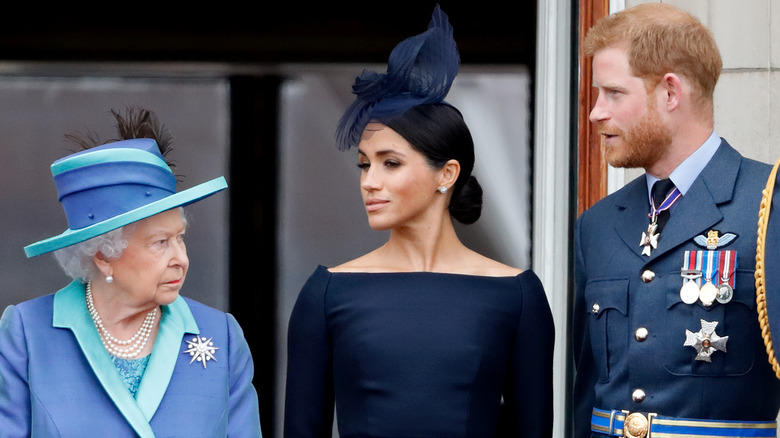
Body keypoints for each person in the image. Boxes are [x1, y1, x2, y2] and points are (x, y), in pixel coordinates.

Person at [284, 5, 554, 438]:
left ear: (446, 174)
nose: (369, 182)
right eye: (364, 165)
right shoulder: (327, 292)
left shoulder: (517, 296)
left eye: (390, 163)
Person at [573, 3, 780, 437]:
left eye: (613, 93)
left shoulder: (768, 204)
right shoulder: (598, 224)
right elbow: (588, 392)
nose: (595, 112)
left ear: (670, 93)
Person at [0, 108, 262, 437]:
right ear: (102, 256)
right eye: (160, 242)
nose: (181, 258)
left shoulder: (222, 335)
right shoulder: (26, 335)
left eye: (180, 238)